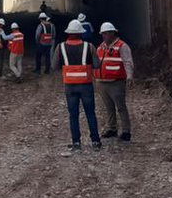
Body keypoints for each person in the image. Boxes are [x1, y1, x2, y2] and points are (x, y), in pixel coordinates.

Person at [52, 19, 101, 151]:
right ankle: (95, 141)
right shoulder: (89, 47)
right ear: (81, 33)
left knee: (73, 115)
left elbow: (54, 66)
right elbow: (97, 65)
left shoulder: (60, 47)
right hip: (86, 85)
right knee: (90, 113)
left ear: (68, 33)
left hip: (70, 86)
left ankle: (76, 143)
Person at [95, 22, 134, 140]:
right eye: (103, 34)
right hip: (102, 82)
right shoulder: (101, 47)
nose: (104, 36)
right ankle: (112, 128)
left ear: (112, 33)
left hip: (116, 82)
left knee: (121, 107)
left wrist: (129, 76)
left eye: (106, 33)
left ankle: (126, 131)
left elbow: (128, 62)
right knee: (108, 107)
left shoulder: (122, 46)